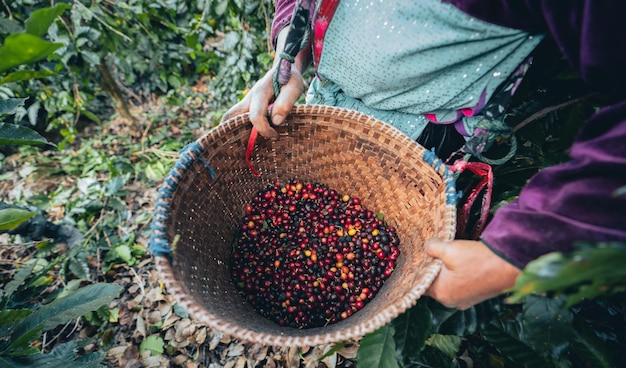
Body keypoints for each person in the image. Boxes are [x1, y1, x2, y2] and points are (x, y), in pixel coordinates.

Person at [221, 0, 626, 310]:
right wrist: (288, 59)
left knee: (383, 242)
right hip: (332, 100)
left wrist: (515, 255)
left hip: (425, 138)